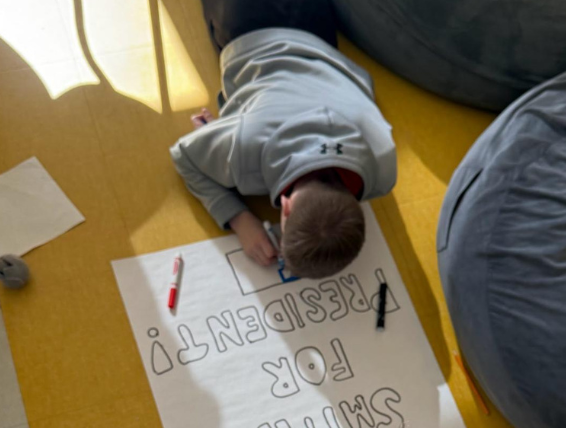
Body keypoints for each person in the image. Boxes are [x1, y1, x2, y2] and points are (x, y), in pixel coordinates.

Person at [169, 0, 396, 278]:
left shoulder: (383, 167)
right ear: (285, 208)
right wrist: (240, 219)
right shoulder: (245, 151)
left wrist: (225, 135)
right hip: (247, 26)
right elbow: (183, 155)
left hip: (317, 32)